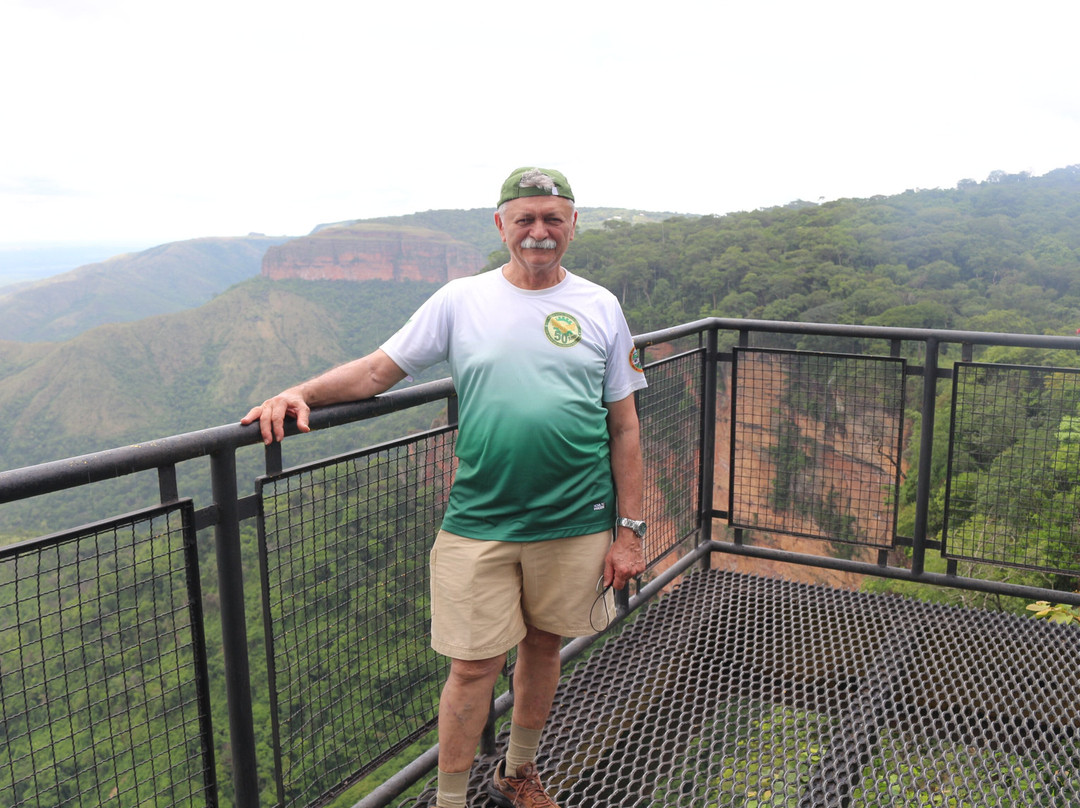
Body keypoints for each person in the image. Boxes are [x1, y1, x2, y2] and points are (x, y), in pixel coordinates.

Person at [242, 167, 648, 808]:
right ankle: (450, 800)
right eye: (525, 219)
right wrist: (301, 392)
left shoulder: (601, 306)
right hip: (481, 518)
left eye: (552, 218)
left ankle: (518, 771)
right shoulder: (461, 300)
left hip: (576, 518)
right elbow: (378, 371)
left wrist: (628, 531)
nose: (539, 232)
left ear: (573, 223)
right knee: (471, 668)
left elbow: (624, 427)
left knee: (544, 649)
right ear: (501, 225)